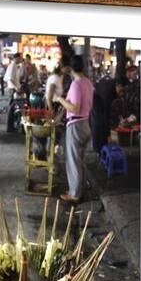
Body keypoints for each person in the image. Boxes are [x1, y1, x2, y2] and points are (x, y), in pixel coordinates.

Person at [54, 55, 94, 203]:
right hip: (85, 124)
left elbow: (74, 108)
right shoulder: (88, 83)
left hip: (76, 125)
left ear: (70, 69)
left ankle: (75, 194)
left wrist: (60, 99)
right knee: (80, 161)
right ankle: (80, 190)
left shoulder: (76, 84)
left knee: (73, 161)